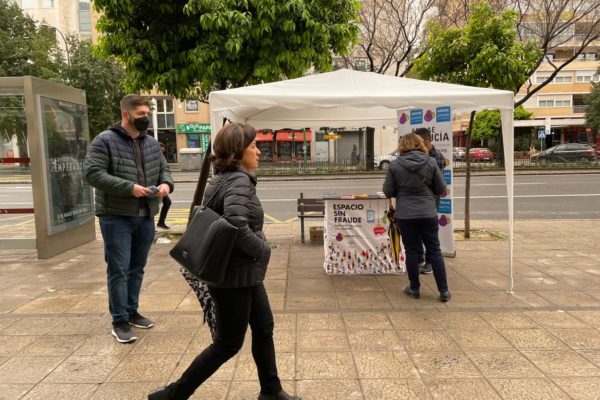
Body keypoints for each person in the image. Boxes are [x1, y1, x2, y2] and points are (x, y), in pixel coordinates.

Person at [148, 123, 300, 400]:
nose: (258, 151)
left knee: (264, 328)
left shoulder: (225, 178)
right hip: (233, 274)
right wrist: (263, 250)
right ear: (237, 151)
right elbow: (235, 224)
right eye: (253, 146)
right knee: (228, 343)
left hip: (243, 272)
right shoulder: (239, 181)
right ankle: (173, 394)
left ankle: (271, 391)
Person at [84, 94, 174, 343]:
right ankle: (119, 321)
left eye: (148, 114)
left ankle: (132, 311)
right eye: (141, 115)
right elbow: (92, 173)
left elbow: (164, 168)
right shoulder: (105, 140)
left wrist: (167, 184)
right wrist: (129, 188)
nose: (146, 118)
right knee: (118, 270)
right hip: (116, 217)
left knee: (137, 269)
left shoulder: (151, 143)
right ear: (126, 114)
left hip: (145, 215)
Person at [382, 133, 450, 302]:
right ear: (421, 144)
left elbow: (387, 191)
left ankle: (414, 288)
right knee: (435, 250)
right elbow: (441, 188)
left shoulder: (395, 165)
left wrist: (401, 190)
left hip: (406, 214)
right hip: (428, 212)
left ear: (402, 146)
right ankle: (444, 291)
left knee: (411, 251)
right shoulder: (431, 162)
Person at [414, 127, 445, 274]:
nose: (416, 145)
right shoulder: (421, 155)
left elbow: (435, 184)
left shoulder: (436, 157)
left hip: (431, 200)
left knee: (429, 233)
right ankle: (419, 257)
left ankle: (430, 263)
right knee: (418, 230)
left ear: (426, 140)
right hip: (420, 199)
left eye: (418, 142)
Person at [156, 142, 171, 230]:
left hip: (160, 186)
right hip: (154, 186)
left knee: (167, 202)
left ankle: (161, 222)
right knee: (152, 205)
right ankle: (159, 223)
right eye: (162, 149)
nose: (164, 151)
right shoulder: (154, 158)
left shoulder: (161, 158)